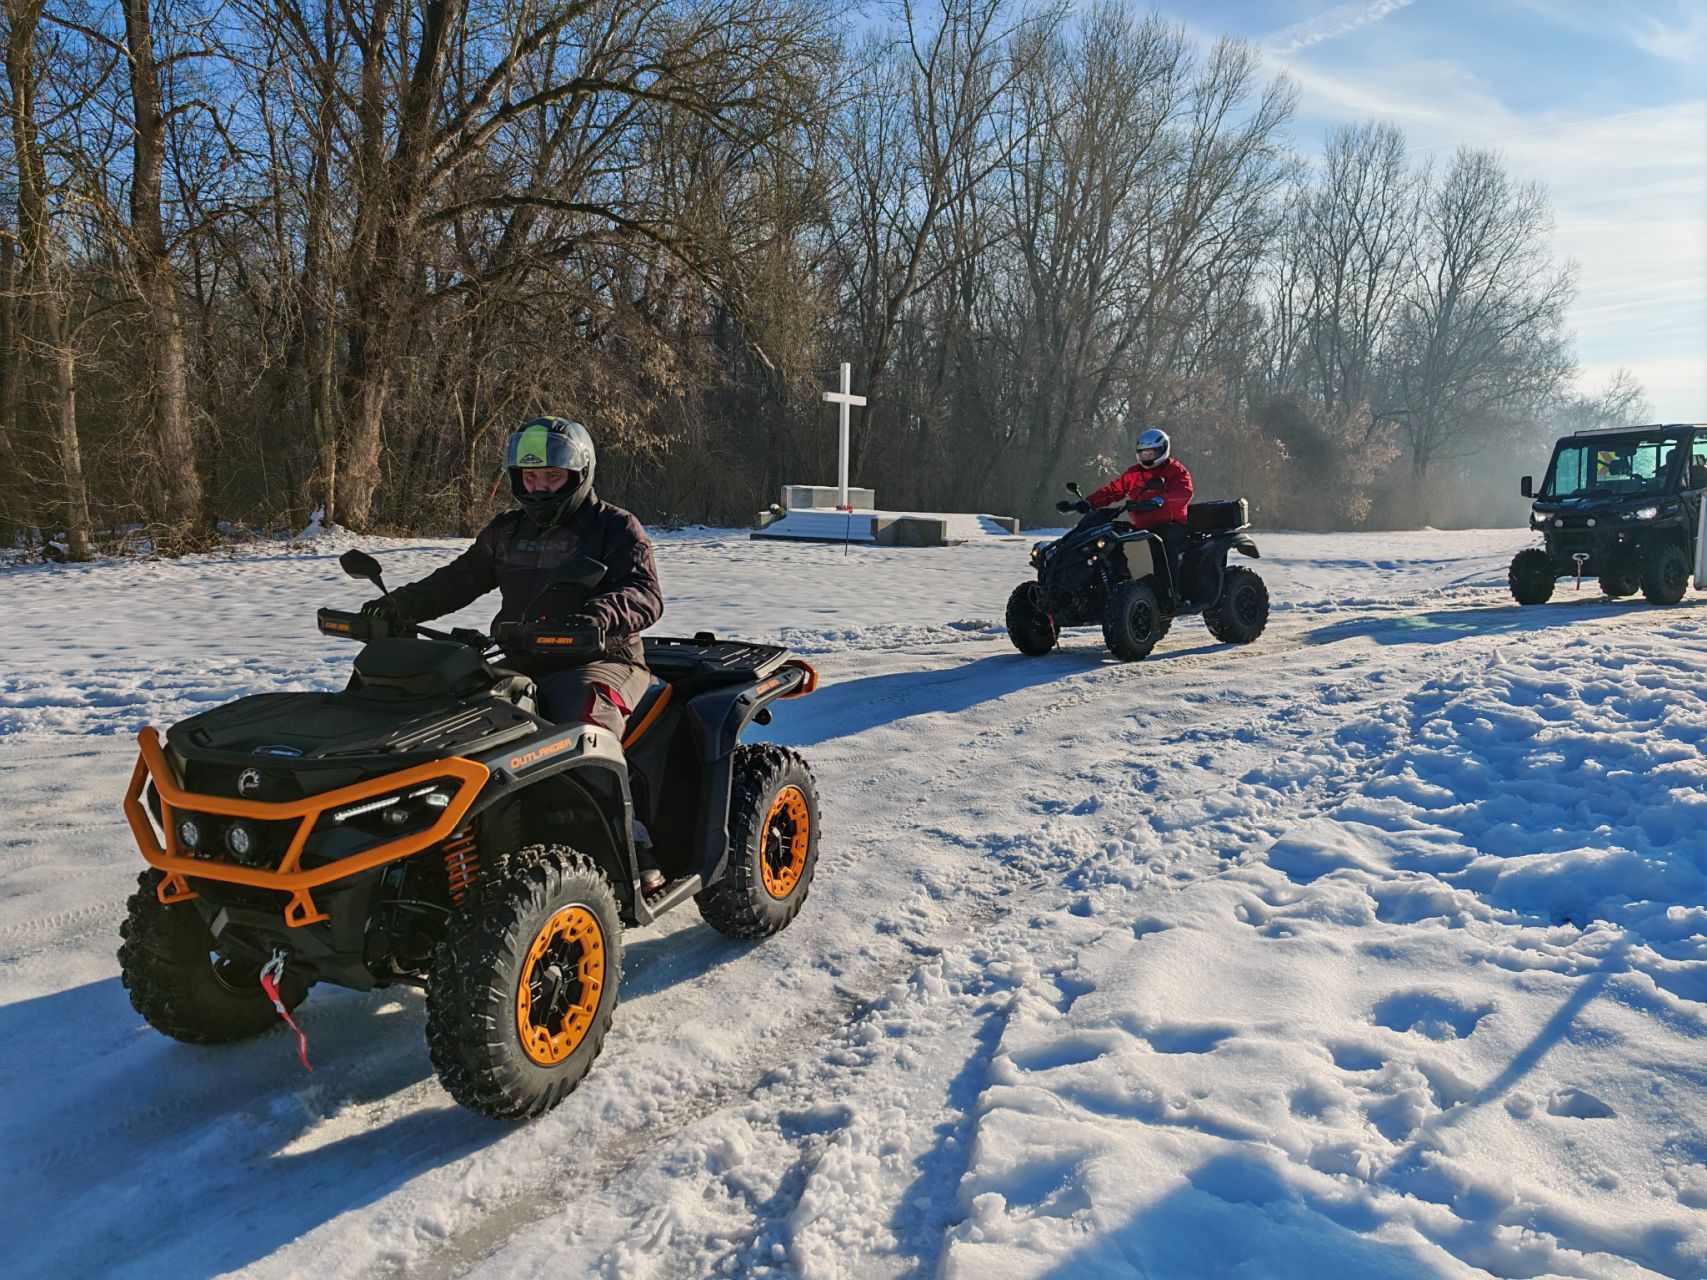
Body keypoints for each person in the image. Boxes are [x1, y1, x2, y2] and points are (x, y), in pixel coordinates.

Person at [361, 416, 666, 888]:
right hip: (522, 657)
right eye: (530, 477)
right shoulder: (506, 531)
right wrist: (399, 605)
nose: (540, 488)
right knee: (452, 717)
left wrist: (599, 616)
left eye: (551, 477)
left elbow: (645, 593)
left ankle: (632, 845)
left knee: (584, 728)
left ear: (579, 475)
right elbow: (458, 580)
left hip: (602, 659)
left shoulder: (615, 527)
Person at [1058, 428, 1193, 531]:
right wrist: (1088, 502)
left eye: (1151, 453)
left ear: (1163, 450)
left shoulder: (1176, 470)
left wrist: (1158, 501)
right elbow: (1113, 491)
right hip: (1141, 527)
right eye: (1143, 453)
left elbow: (1183, 494)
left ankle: (1172, 569)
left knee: (1166, 546)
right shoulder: (1134, 473)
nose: (1147, 457)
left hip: (1170, 525)